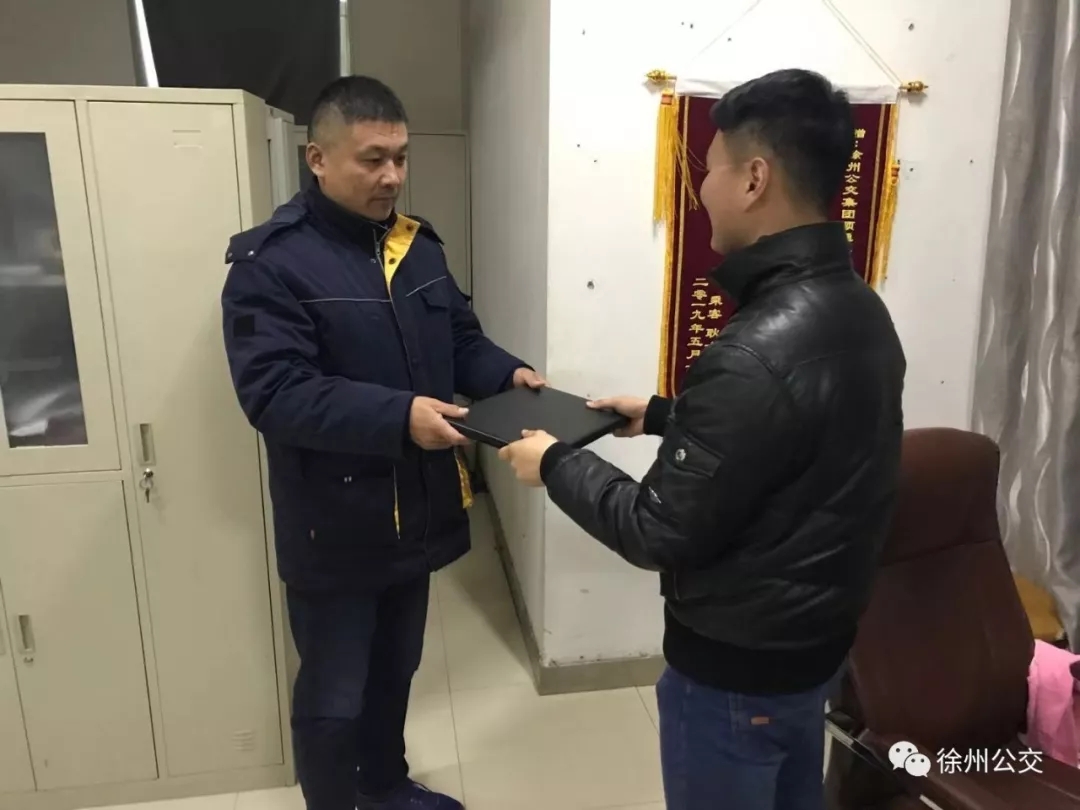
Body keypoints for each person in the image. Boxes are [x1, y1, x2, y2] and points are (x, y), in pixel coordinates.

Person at [498, 69, 906, 810]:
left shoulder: (754, 350)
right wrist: (663, 415)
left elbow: (657, 530)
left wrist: (554, 462)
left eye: (710, 170)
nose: (699, 191)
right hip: (814, 651)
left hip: (735, 673)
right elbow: (793, 443)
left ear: (754, 178)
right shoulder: (858, 310)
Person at [221, 75, 543, 810]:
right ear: (317, 158)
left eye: (400, 157)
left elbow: (460, 339)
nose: (392, 176)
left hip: (418, 508)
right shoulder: (272, 264)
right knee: (335, 693)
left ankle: (387, 787)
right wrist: (400, 417)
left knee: (397, 668)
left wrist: (509, 374)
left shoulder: (414, 245)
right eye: (372, 159)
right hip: (334, 523)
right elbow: (274, 393)